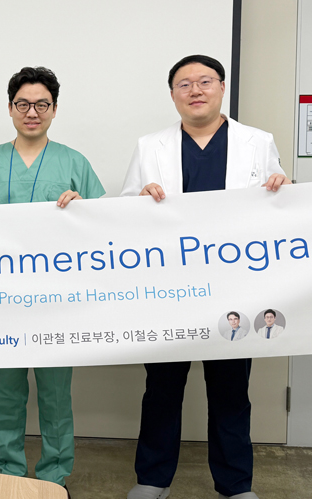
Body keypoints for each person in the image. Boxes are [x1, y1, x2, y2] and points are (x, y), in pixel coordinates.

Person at [122, 54, 291, 499]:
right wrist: (138, 198)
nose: (195, 90)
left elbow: (278, 209)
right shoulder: (149, 146)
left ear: (221, 87)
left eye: (204, 81)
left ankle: (235, 484)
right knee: (162, 388)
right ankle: (153, 479)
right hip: (170, 291)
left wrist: (283, 193)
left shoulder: (257, 142)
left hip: (235, 289)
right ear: (172, 94)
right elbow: (122, 212)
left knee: (231, 390)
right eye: (184, 84)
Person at [0, 66, 104, 495]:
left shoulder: (73, 162)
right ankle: (7, 473)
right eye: (23, 104)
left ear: (55, 109)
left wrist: (84, 207)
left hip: (56, 300)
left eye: (42, 104)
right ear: (10, 108)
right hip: (1, 299)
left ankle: (54, 477)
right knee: (6, 392)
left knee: (56, 393)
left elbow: (103, 226)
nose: (32, 112)